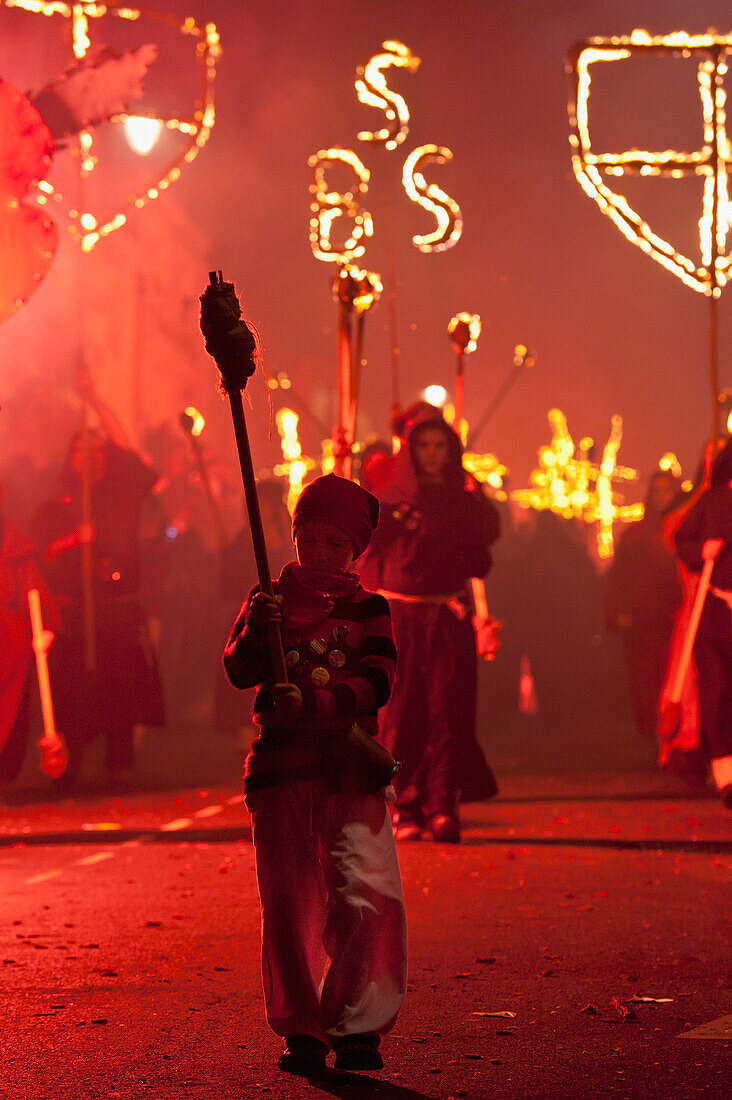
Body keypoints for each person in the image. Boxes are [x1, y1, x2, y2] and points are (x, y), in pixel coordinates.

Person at [223, 473, 407, 1077]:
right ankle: (302, 1025)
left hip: (349, 771)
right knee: (289, 903)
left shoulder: (369, 608)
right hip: (281, 774)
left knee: (362, 894)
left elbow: (378, 680)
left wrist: (318, 706)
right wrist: (258, 626)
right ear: (294, 538)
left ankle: (357, 1024)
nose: (321, 555)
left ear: (356, 552)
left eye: (336, 544)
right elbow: (239, 670)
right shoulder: (267, 599)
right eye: (310, 541)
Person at [360, 412, 501, 843]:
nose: (433, 455)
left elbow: (481, 560)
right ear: (412, 452)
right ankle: (407, 805)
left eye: (440, 446)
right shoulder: (389, 499)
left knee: (448, 711)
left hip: (446, 618)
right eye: (424, 447)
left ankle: (442, 805)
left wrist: (468, 518)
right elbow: (366, 551)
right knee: (403, 713)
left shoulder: (463, 501)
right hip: (401, 618)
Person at [31, 373, 164, 792]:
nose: (91, 457)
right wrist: (74, 540)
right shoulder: (56, 504)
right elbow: (39, 555)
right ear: (69, 458)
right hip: (75, 613)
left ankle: (119, 765)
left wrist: (95, 397)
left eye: (97, 450)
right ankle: (66, 769)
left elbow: (127, 450)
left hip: (116, 610)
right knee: (73, 694)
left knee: (120, 690)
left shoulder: (122, 491)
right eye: (81, 450)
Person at [674, 439, 732, 810]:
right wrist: (701, 551)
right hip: (717, 611)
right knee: (718, 692)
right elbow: (682, 539)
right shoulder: (712, 503)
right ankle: (727, 776)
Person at [605, 470, 683, 739]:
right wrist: (618, 612)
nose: (662, 496)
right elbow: (620, 578)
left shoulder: (685, 528)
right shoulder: (635, 535)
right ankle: (651, 731)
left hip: (672, 617)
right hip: (641, 619)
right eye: (657, 490)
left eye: (667, 490)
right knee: (643, 679)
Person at [0, 484, 57, 787]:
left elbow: (33, 589)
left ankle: (5, 774)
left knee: (11, 713)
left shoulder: (13, 544)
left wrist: (45, 627)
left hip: (10, 643)